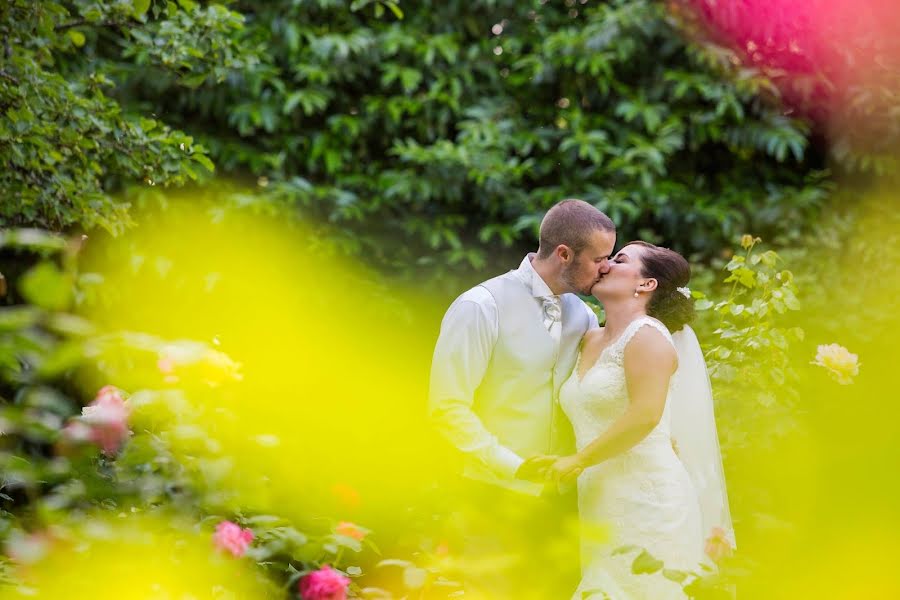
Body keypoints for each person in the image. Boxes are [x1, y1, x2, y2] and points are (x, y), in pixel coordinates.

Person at [428, 199, 616, 598]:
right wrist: (512, 466)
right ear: (564, 254)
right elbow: (446, 407)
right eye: (599, 258)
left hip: (564, 503)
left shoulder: (582, 316)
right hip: (491, 496)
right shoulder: (480, 306)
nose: (607, 268)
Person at [550, 241, 735, 599]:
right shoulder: (588, 338)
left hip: (648, 500)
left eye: (619, 260)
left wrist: (578, 460)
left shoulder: (648, 336)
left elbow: (645, 415)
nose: (604, 266)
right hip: (600, 498)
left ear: (646, 285)